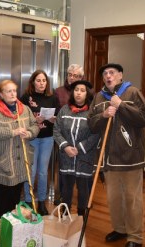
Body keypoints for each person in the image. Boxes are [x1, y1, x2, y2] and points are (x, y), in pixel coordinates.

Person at [88, 63, 145, 247]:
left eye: (112, 72)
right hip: (109, 159)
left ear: (120, 75)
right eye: (105, 73)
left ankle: (135, 237)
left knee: (132, 199)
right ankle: (120, 229)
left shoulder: (133, 93)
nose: (108, 76)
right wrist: (103, 115)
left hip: (131, 158)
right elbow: (91, 124)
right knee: (114, 199)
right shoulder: (99, 97)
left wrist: (121, 105)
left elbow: (143, 118)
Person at [0, 80, 39, 218]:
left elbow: (34, 125)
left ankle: (14, 222)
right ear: (1, 94)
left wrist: (30, 133)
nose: (13, 93)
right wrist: (12, 131)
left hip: (21, 160)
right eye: (9, 91)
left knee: (16, 194)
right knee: (3, 194)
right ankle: (1, 223)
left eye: (14, 90)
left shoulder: (24, 109)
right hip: (3, 160)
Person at [53, 80, 99, 216]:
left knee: (83, 188)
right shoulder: (64, 110)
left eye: (82, 90)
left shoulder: (93, 112)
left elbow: (96, 133)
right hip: (66, 156)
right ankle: (65, 213)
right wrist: (65, 146)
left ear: (87, 93)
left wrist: (79, 148)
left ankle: (81, 215)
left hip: (85, 156)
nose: (79, 93)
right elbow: (56, 130)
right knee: (66, 188)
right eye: (76, 90)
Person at [19, 70, 58, 215]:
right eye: (38, 80)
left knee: (42, 172)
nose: (42, 83)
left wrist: (53, 120)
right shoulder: (25, 98)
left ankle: (42, 202)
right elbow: (20, 118)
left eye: (44, 80)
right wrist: (36, 120)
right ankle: (29, 201)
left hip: (47, 138)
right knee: (31, 171)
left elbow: (57, 116)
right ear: (33, 82)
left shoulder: (52, 97)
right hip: (32, 138)